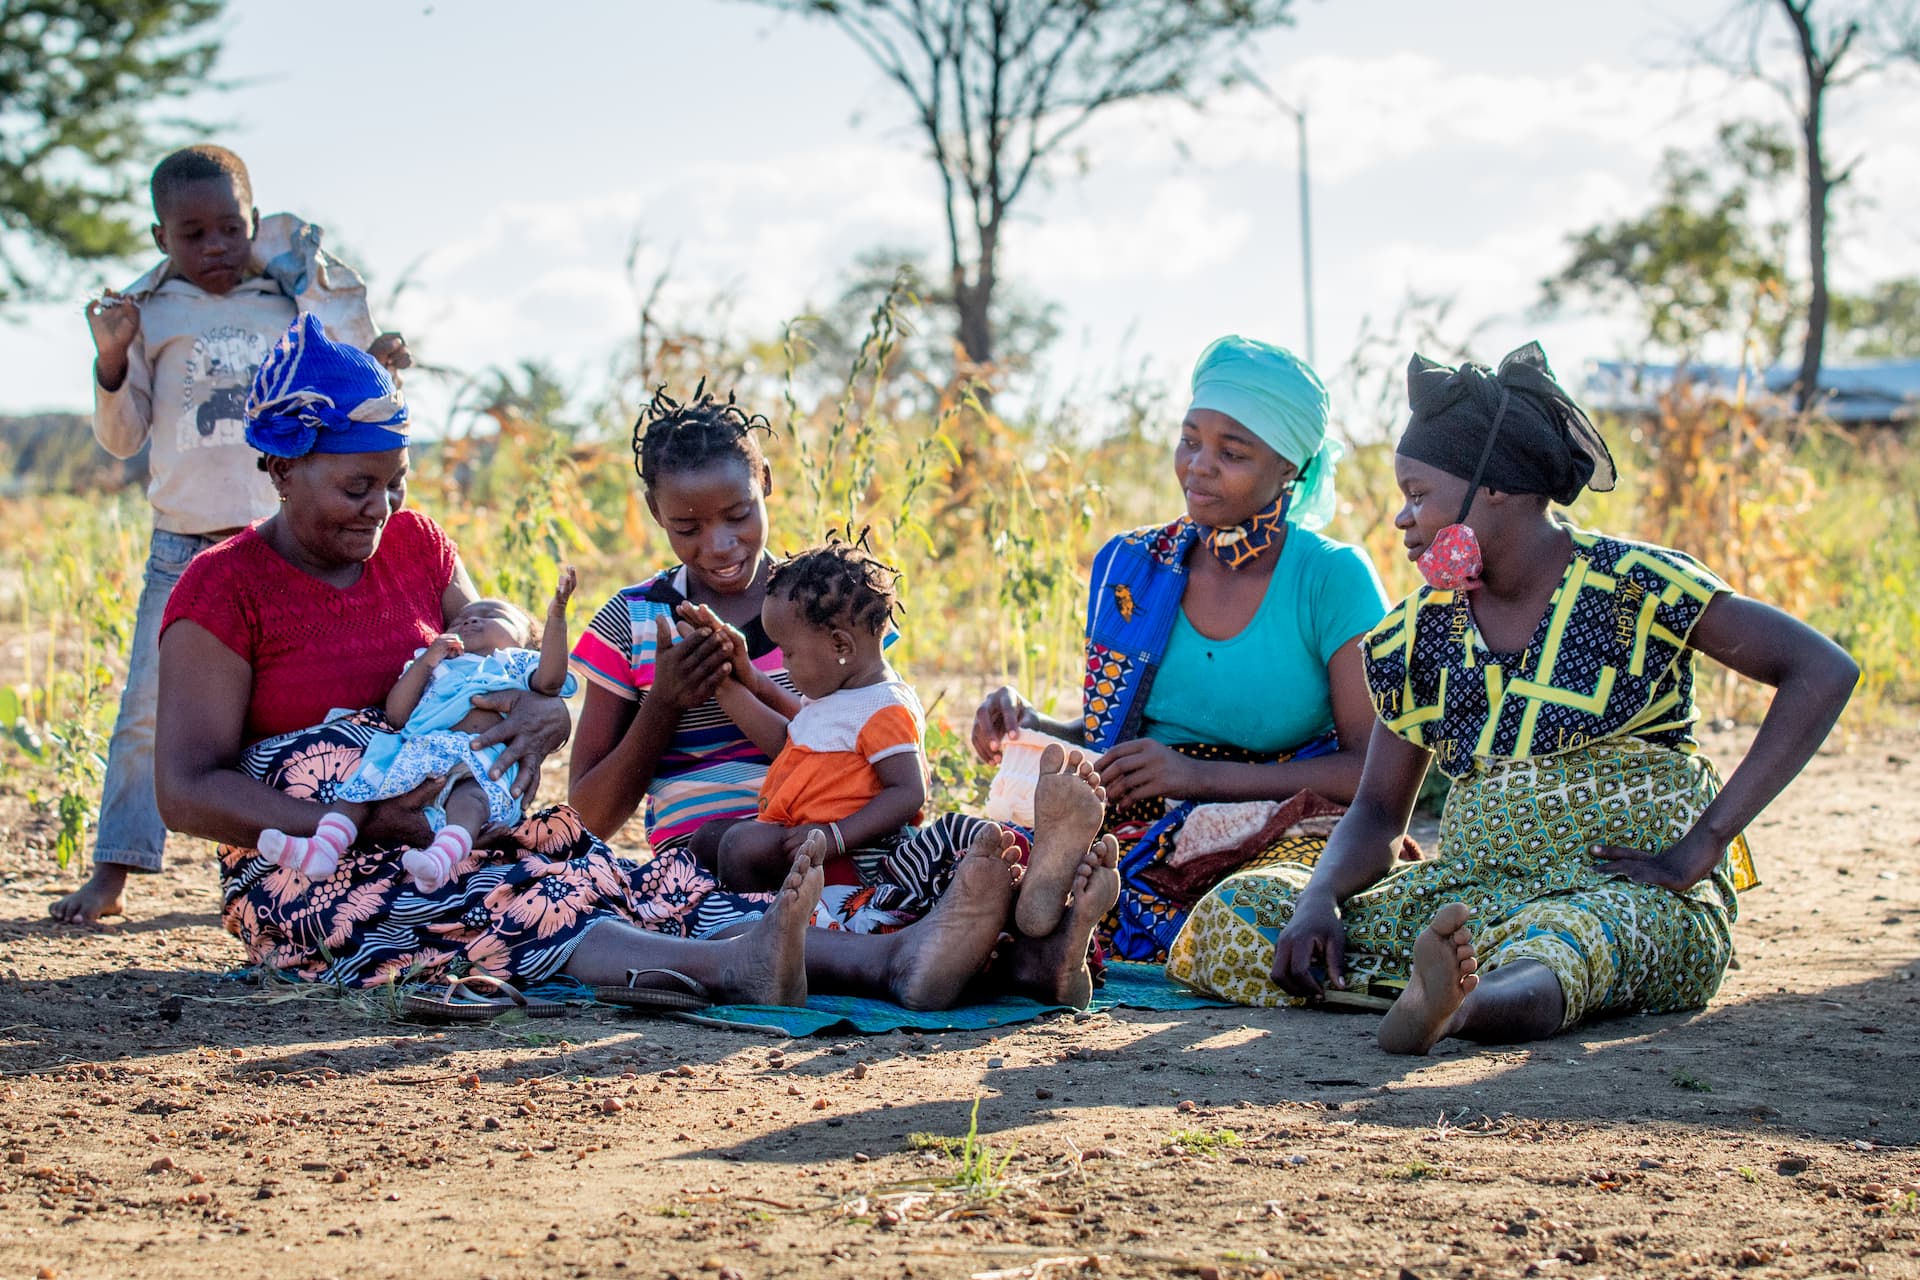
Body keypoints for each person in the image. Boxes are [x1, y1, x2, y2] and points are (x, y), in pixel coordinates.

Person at [1167, 342, 1859, 1053]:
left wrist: (1703, 846)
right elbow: (1377, 810)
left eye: (1417, 495)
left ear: (1494, 488)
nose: (1403, 521)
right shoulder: (1420, 633)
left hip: (1625, 893)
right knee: (1241, 915)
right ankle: (1435, 988)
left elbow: (1820, 670)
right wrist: (1319, 900)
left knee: (1573, 942)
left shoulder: (1636, 586)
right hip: (1475, 895)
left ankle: (1460, 1005)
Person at [152, 315, 824, 1007]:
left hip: (448, 829)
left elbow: (505, 670)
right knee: (508, 901)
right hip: (308, 870)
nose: (381, 509)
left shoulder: (417, 547)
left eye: (397, 483)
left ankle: (890, 958)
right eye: (358, 488)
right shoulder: (224, 586)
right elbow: (184, 789)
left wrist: (543, 712)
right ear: (285, 470)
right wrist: (362, 821)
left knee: (623, 883)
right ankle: (732, 969)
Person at [568, 384, 1123, 1009]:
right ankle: (1013, 959)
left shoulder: (828, 604)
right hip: (718, 860)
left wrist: (748, 687)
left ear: (767, 485)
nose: (719, 545)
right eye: (687, 527)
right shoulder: (636, 621)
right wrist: (665, 703)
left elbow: (875, 731)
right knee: (734, 908)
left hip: (852, 835)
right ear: (655, 511)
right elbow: (587, 818)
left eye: (738, 515)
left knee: (944, 868)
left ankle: (1039, 939)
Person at [53, 144, 408, 924]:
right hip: (182, 545)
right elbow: (122, 436)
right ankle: (115, 869)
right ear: (159, 239)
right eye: (192, 234)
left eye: (230, 228)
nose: (214, 247)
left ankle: (337, 847)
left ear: (255, 222)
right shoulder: (152, 314)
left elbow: (340, 397)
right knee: (147, 710)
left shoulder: (288, 305)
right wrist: (111, 358)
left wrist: (377, 367)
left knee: (319, 702)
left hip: (277, 547)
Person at [973, 336, 1390, 960]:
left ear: (1290, 469)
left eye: (1232, 452)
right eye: (1190, 440)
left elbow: (1370, 770)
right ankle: (1052, 929)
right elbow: (1113, 731)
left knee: (1254, 913)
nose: (1198, 465)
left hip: (1282, 815)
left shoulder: (1332, 579)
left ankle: (1060, 936)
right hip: (1139, 812)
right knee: (970, 859)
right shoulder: (1133, 566)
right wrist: (1035, 727)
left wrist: (1199, 777)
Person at [260, 568, 579, 892]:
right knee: (362, 787)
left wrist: (556, 617)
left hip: (478, 759)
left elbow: (551, 681)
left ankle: (441, 857)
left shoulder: (513, 663)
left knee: (470, 800)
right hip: (417, 752)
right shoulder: (435, 664)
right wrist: (426, 661)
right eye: (462, 618)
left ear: (526, 642)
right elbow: (398, 713)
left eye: (492, 614)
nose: (471, 619)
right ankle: (323, 846)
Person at [692, 536, 930, 893]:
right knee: (709, 837)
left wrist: (835, 836)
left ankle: (752, 929)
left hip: (855, 855)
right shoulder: (838, 696)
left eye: (788, 653)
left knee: (741, 846)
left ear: (840, 646)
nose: (783, 665)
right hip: (806, 838)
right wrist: (726, 685)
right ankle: (731, 912)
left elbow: (908, 791)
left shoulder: (884, 707)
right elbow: (788, 744)